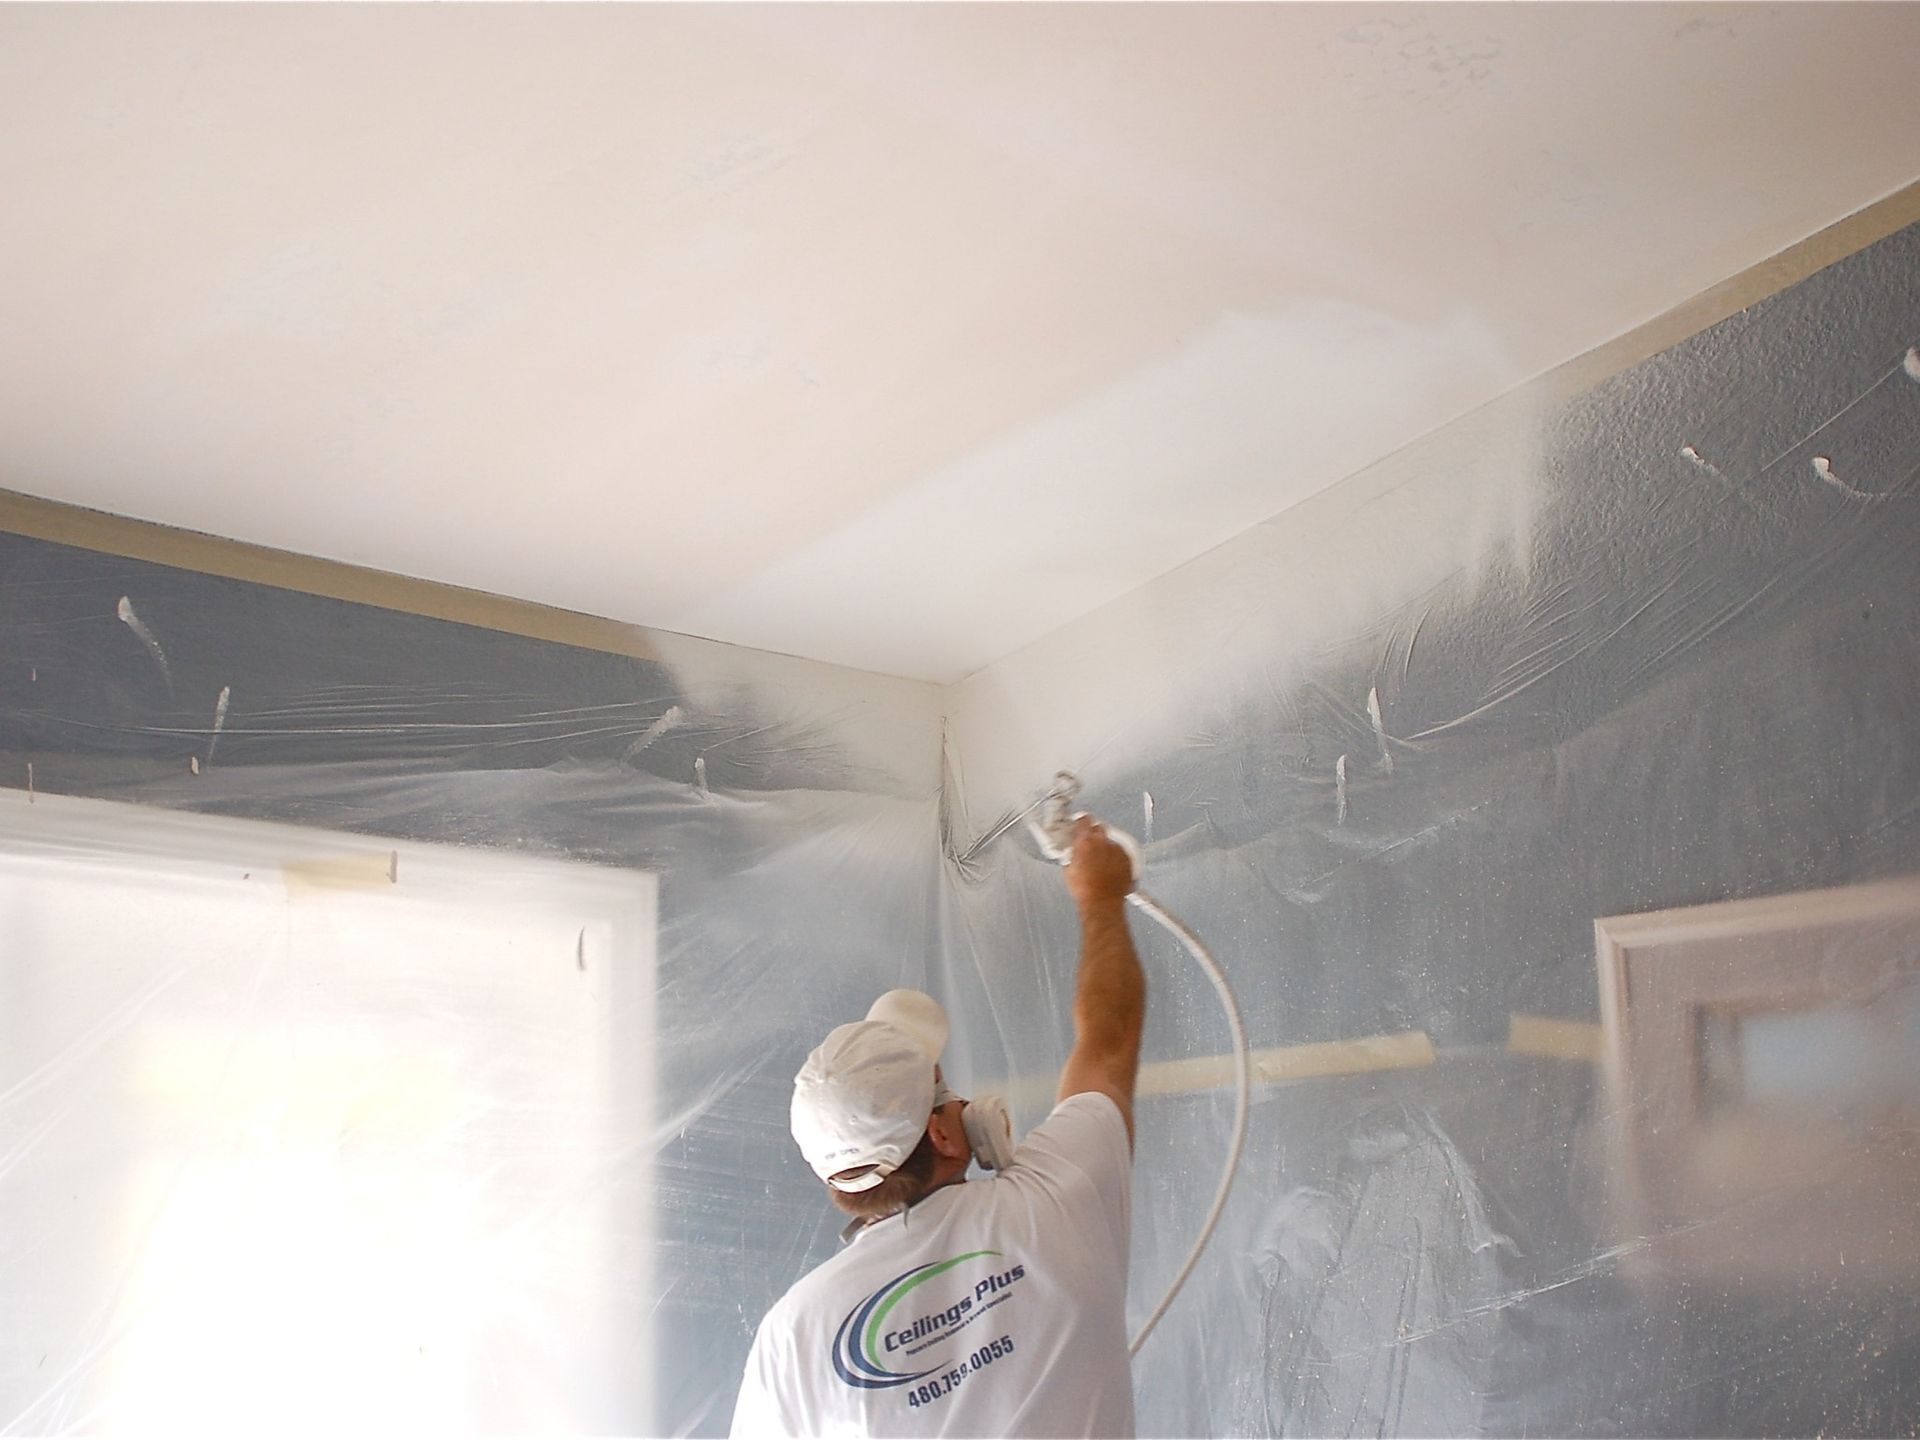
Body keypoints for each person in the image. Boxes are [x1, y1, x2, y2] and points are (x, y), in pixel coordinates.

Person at [729, 817, 1145, 1438]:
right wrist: (1100, 897)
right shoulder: (1055, 1201)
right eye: (946, 1093)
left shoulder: (793, 1338)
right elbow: (1108, 1042)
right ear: (945, 1136)